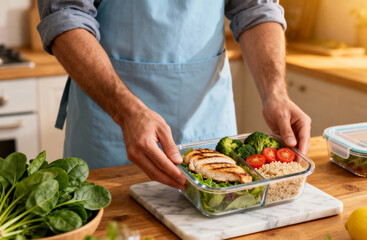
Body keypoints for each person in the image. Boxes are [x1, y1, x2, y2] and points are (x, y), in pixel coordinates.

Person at [37, 0, 311, 190]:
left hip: (208, 120)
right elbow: (65, 14)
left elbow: (255, 7)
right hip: (111, 124)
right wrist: (128, 112)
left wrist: (276, 93)